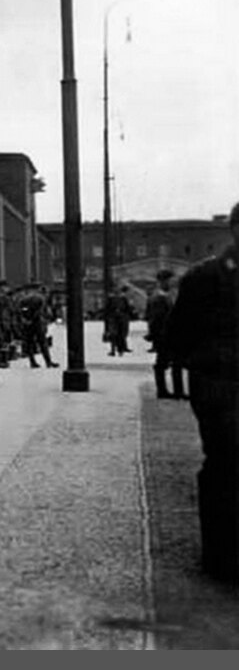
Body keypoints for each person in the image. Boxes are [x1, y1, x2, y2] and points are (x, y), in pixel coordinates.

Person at [166, 203, 239, 583]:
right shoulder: (204, 277)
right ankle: (221, 556)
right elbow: (178, 333)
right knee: (224, 463)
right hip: (219, 384)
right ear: (234, 229)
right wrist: (204, 363)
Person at [145, 270, 185, 400]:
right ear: (163, 281)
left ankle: (174, 391)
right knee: (164, 363)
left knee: (173, 363)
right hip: (165, 335)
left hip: (169, 334)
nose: (172, 283)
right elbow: (157, 319)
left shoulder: (164, 296)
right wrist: (156, 334)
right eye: (170, 280)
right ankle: (166, 391)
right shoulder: (159, 298)